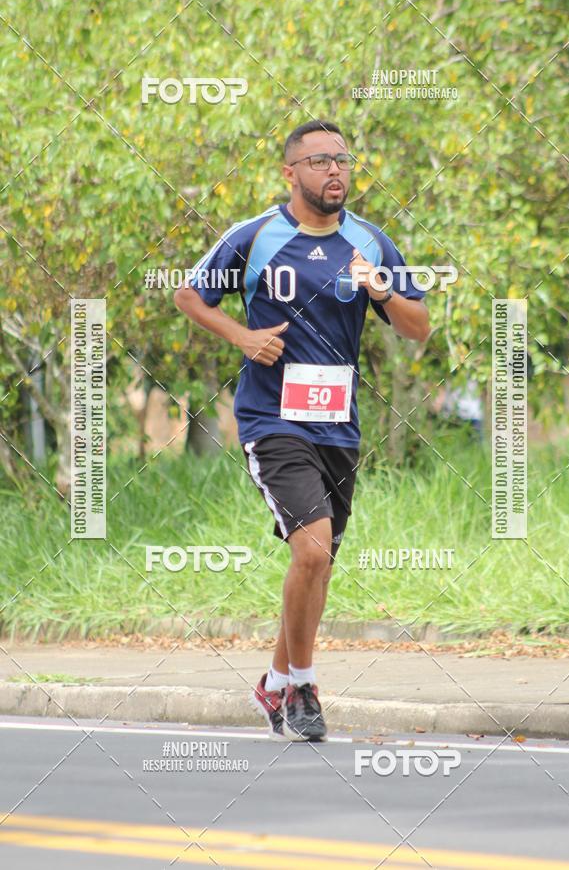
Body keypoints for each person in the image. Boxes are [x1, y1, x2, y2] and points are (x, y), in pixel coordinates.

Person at [174, 119, 430, 741]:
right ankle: (304, 689)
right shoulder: (256, 236)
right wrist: (243, 336)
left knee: (319, 564)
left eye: (342, 159)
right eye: (320, 161)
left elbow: (418, 327)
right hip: (272, 418)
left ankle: (273, 681)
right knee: (311, 550)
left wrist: (382, 292)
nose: (335, 169)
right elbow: (188, 295)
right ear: (290, 173)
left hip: (337, 424)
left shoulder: (370, 242)